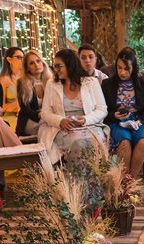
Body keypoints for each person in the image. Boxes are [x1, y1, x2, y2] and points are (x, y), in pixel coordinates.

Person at [39, 49, 108, 204]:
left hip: (89, 125)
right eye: (55, 66)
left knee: (89, 143)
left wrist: (85, 119)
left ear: (70, 65)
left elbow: (102, 110)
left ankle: (93, 196)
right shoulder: (52, 84)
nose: (56, 70)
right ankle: (79, 195)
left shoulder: (91, 82)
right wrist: (60, 120)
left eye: (59, 66)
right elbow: (45, 113)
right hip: (64, 128)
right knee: (78, 143)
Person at [102, 47, 144, 178]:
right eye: (119, 68)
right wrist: (114, 115)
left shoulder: (143, 84)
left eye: (126, 68)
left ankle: (130, 182)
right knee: (125, 141)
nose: (122, 72)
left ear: (133, 67)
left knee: (143, 139)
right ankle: (122, 182)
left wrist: (140, 121)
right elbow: (102, 110)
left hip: (138, 120)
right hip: (117, 121)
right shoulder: (107, 84)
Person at [17, 50, 53, 136]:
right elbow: (25, 108)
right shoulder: (22, 83)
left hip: (48, 119)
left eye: (38, 61)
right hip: (31, 121)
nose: (36, 65)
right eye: (31, 63)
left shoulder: (51, 81)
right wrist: (42, 115)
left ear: (43, 63)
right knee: (48, 129)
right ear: (27, 68)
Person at [0, 47, 24, 130]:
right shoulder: (4, 80)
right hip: (10, 118)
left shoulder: (25, 79)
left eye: (23, 57)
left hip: (24, 116)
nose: (22, 60)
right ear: (9, 59)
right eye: (19, 57)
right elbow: (3, 105)